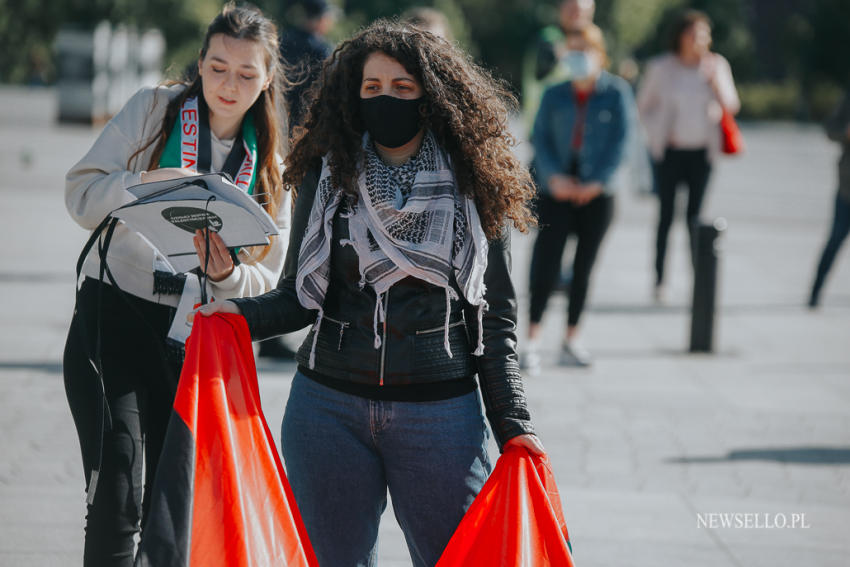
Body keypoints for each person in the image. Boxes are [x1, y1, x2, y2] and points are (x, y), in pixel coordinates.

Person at [198, 20, 544, 567]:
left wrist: (514, 424)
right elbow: (297, 298)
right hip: (325, 411)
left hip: (440, 416)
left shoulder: (475, 178)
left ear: (432, 97)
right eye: (373, 87)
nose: (387, 99)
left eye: (403, 88)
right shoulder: (328, 170)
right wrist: (230, 310)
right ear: (353, 94)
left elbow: (494, 317)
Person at [62, 5, 290, 566]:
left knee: (174, 513)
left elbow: (269, 276)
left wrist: (227, 275)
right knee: (117, 491)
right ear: (200, 63)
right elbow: (80, 194)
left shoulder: (272, 167)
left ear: (266, 80)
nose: (228, 85)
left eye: (245, 74)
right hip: (112, 314)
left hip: (192, 341)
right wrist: (139, 185)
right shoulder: (154, 111)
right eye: (217, 67)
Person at [523, 24, 634, 371]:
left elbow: (623, 143)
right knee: (545, 263)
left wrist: (597, 182)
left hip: (597, 196)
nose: (577, 57)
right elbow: (538, 138)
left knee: (584, 266)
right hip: (555, 191)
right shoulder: (554, 92)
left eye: (583, 50)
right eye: (571, 51)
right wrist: (553, 177)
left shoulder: (616, 92)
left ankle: (572, 337)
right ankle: (531, 339)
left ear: (600, 54)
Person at [637, 10, 740, 301]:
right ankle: (659, 280)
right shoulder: (662, 67)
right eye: (693, 34)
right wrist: (658, 133)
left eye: (704, 34)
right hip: (670, 152)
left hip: (702, 154)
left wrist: (714, 83)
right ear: (680, 36)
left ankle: (698, 280)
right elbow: (643, 107)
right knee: (666, 216)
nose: (699, 40)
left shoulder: (716, 65)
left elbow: (731, 105)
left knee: (696, 218)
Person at [259, 0, 335, 361]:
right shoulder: (324, 52)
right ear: (323, 19)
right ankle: (274, 330)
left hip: (270, 147)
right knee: (290, 239)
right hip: (306, 154)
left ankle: (256, 320)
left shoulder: (282, 43)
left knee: (264, 236)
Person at [809, 89, 850, 307]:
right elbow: (830, 128)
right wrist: (846, 132)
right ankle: (815, 292)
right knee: (835, 239)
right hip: (847, 187)